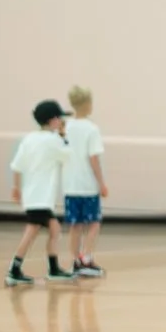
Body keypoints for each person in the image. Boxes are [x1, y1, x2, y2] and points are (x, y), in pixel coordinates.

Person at [7, 100, 77, 287]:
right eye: (60, 119)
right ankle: (15, 270)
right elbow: (68, 155)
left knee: (54, 229)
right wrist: (63, 135)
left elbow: (16, 166)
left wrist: (16, 188)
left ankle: (52, 268)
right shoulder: (52, 140)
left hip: (32, 195)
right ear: (53, 120)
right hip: (41, 197)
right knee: (32, 232)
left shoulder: (29, 139)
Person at [62, 85, 109, 277]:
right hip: (88, 186)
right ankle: (87, 259)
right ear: (87, 104)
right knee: (94, 223)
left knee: (75, 225)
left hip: (70, 186)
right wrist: (102, 183)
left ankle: (75, 261)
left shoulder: (66, 128)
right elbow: (94, 158)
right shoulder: (92, 129)